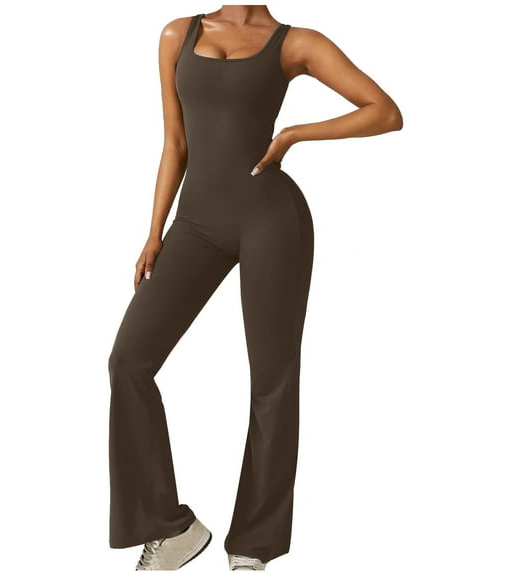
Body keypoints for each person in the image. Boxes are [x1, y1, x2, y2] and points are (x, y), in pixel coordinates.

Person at [107, 5, 403, 571]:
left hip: (271, 217)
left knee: (272, 380)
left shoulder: (295, 43)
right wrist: (154, 232)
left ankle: (252, 548)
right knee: (128, 361)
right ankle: (170, 529)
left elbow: (385, 112)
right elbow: (175, 141)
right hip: (195, 223)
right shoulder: (177, 34)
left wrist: (294, 134)